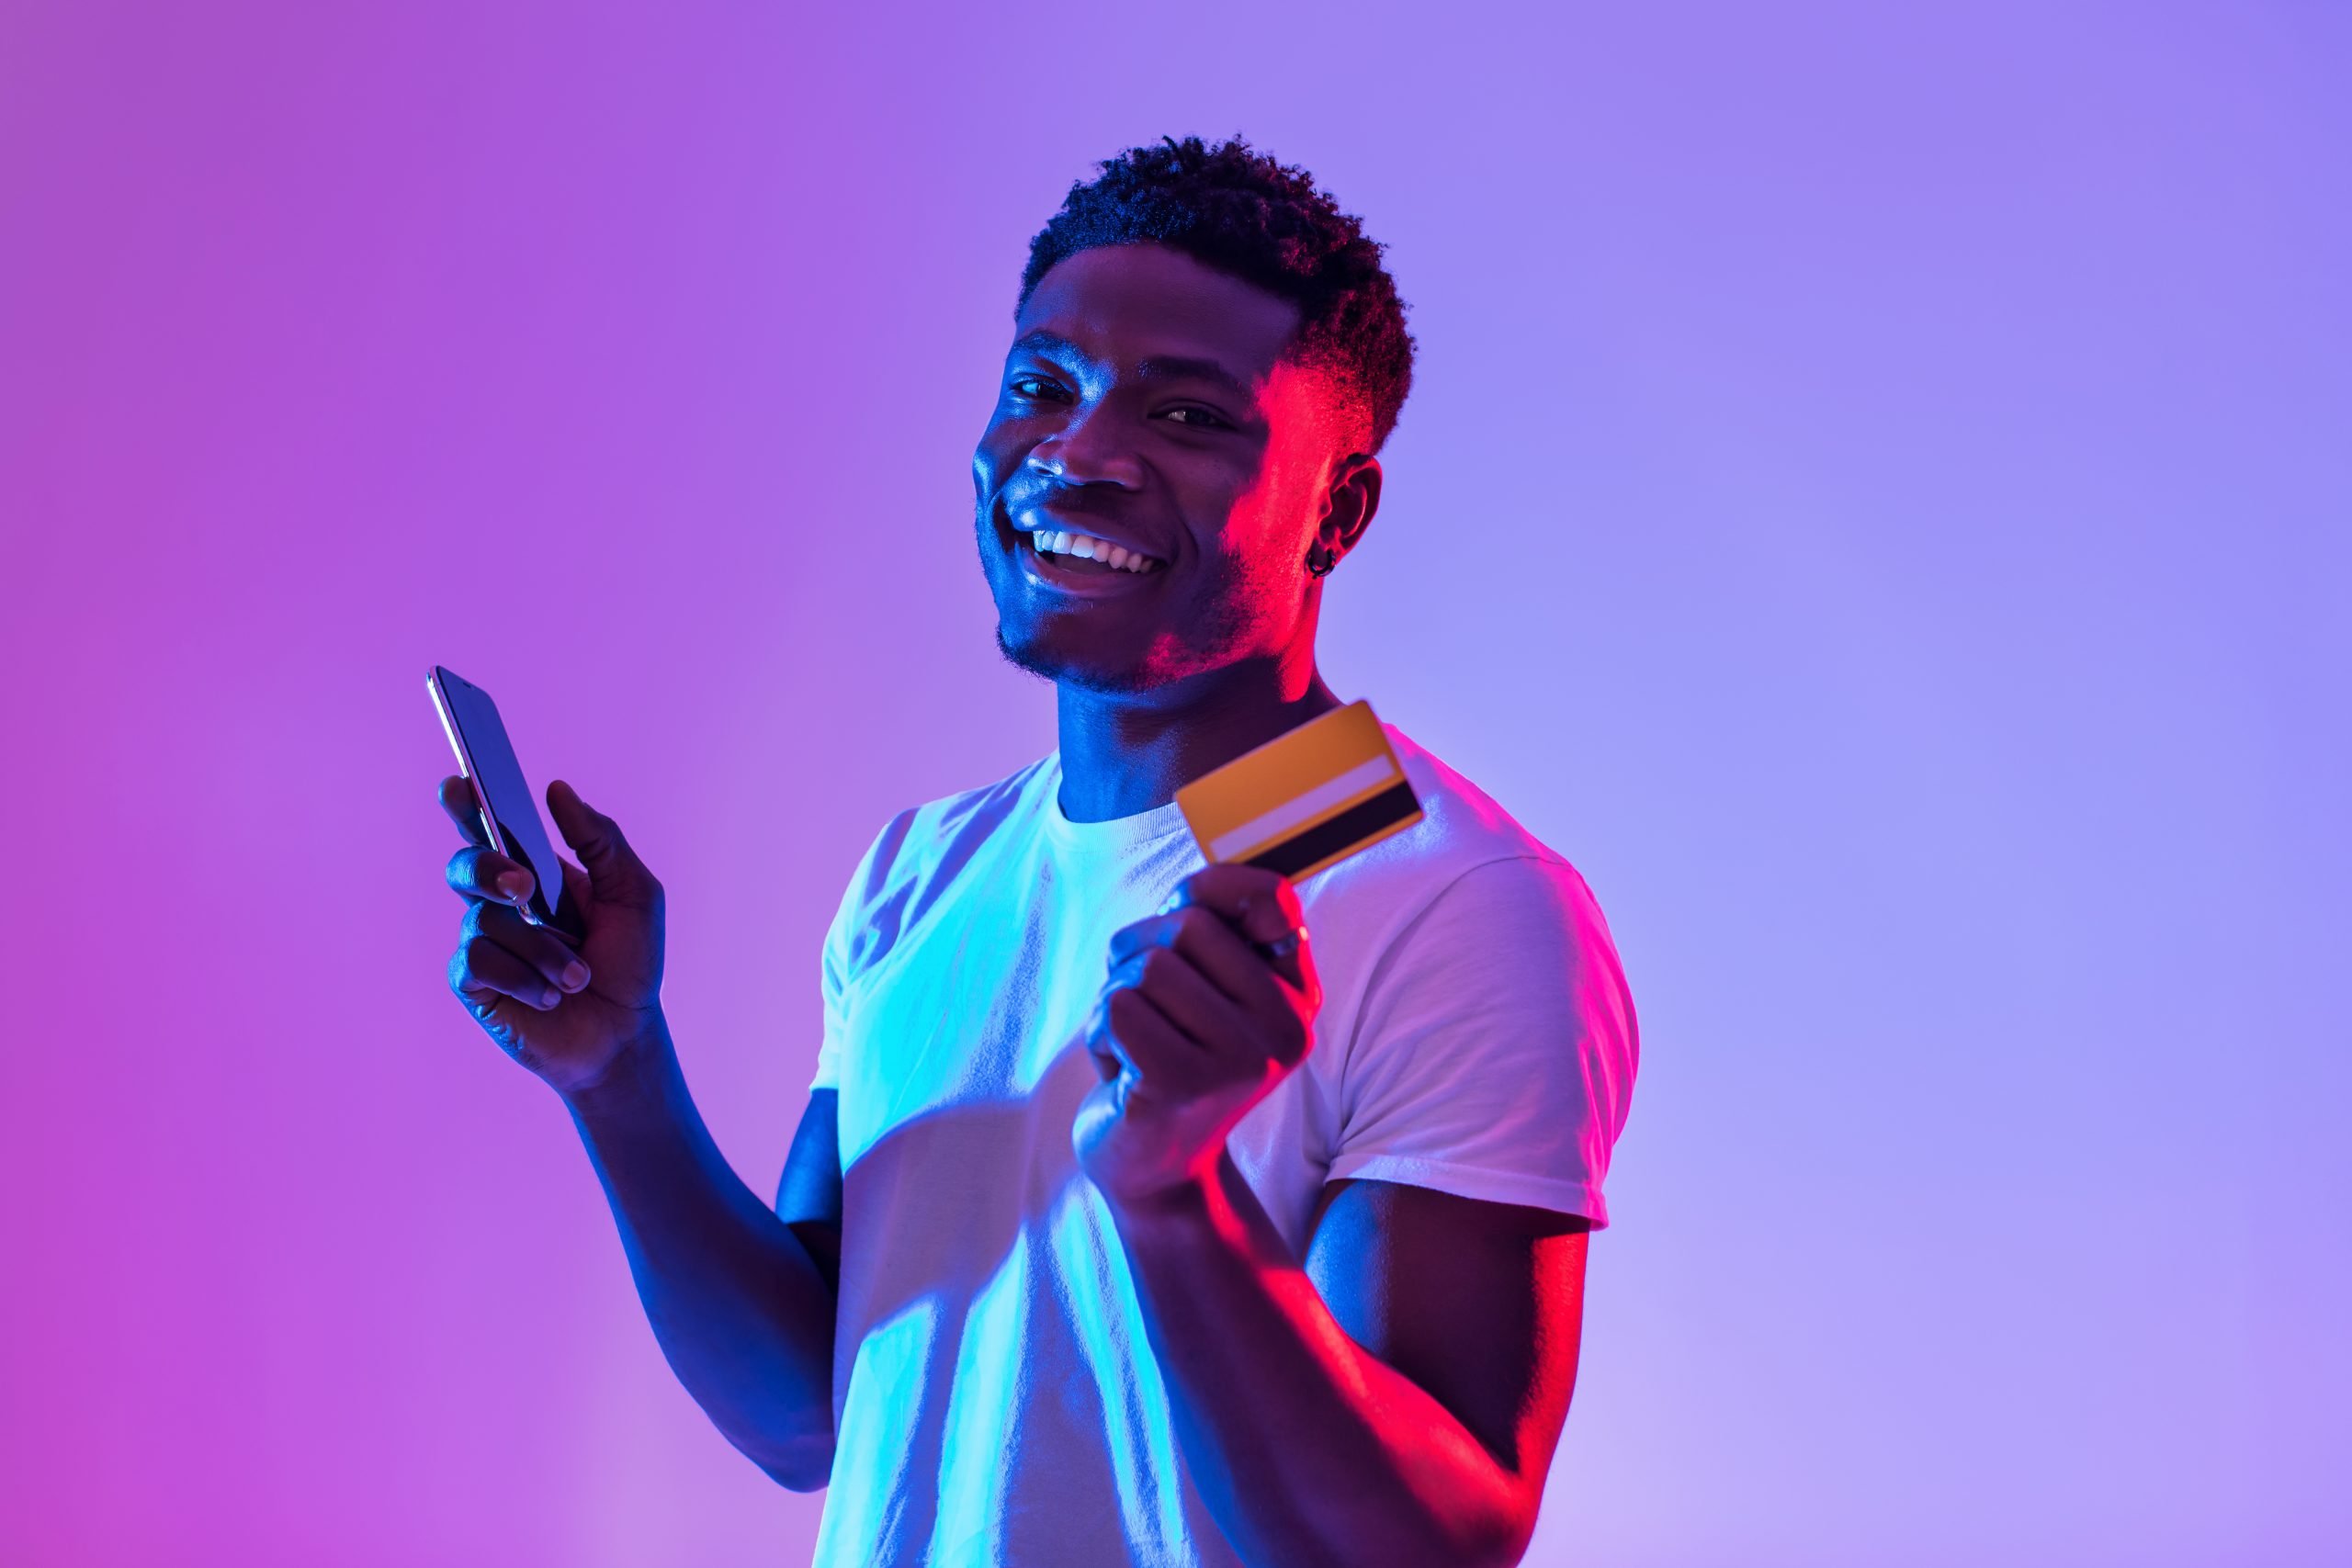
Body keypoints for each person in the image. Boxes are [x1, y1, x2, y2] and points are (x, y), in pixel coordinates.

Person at [437, 136, 1638, 1568]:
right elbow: (809, 1417)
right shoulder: (922, 872)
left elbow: (1433, 1547)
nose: (1078, 454)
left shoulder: (1455, 899)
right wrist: (619, 1080)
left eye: (1189, 415)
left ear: (1339, 510)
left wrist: (1174, 1196)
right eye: (1041, 388)